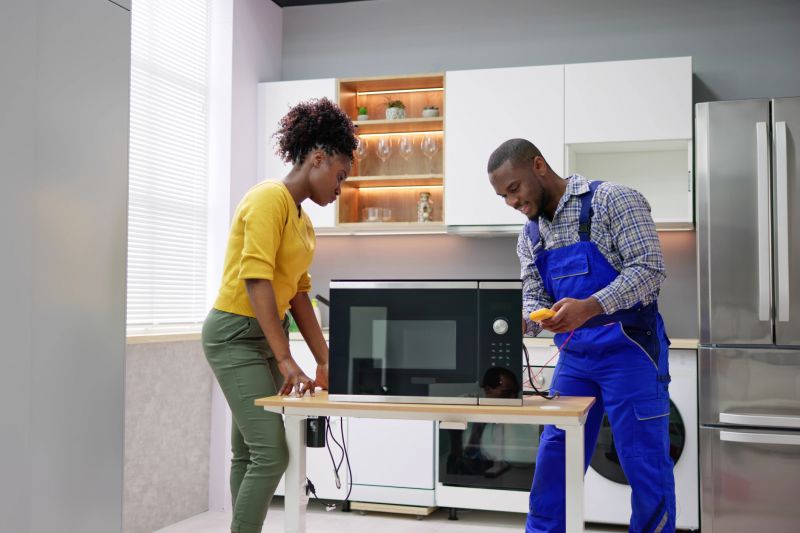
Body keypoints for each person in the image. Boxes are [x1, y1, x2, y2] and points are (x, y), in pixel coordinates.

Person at [487, 139, 675, 533]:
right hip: (576, 358)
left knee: (643, 463)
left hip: (632, 353)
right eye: (503, 196)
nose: (512, 202)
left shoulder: (612, 200)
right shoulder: (530, 235)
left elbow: (649, 269)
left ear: (539, 166)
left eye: (514, 188)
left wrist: (589, 307)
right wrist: (525, 320)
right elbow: (535, 297)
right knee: (555, 458)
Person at [202, 97, 357, 533]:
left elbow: (299, 294)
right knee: (272, 453)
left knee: (250, 452)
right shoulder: (268, 198)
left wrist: (325, 359)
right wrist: (286, 359)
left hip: (262, 336)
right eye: (340, 176)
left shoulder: (303, 222)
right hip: (234, 333)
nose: (340, 189)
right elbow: (257, 281)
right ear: (318, 158)